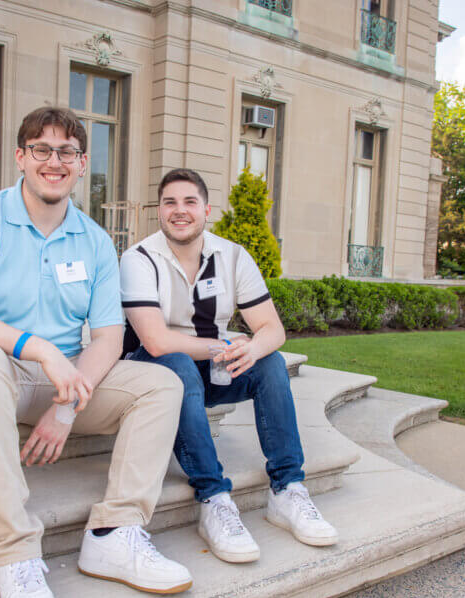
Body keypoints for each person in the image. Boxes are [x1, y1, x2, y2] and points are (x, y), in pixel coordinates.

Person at [0, 108, 191, 598]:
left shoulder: (92, 240)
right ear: (21, 157)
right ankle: (17, 555)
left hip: (54, 382)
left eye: (66, 152)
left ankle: (115, 532)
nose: (53, 161)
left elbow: (110, 338)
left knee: (162, 382)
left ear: (82, 163)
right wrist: (37, 346)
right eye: (40, 149)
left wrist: (66, 407)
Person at [119, 168, 338, 564]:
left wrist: (252, 349)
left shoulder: (233, 256)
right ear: (159, 211)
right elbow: (155, 340)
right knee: (178, 363)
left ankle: (288, 491)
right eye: (170, 202)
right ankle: (214, 497)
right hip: (152, 369)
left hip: (211, 365)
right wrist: (225, 343)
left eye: (189, 202)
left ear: (206, 210)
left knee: (269, 363)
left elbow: (273, 329)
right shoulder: (138, 259)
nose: (179, 211)